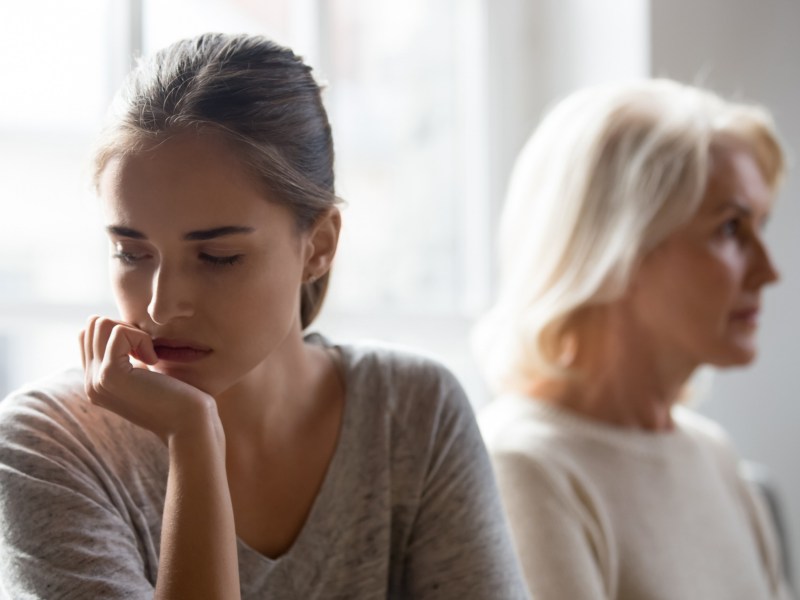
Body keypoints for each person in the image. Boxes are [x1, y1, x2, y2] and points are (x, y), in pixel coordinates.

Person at [0, 33, 528, 599]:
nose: (160, 306)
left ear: (319, 244)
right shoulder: (46, 445)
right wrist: (194, 439)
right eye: (132, 253)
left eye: (217, 257)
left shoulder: (412, 413)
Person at [474, 78, 793, 599]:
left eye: (761, 225)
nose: (768, 271)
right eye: (732, 229)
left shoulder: (713, 455)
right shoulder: (523, 467)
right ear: (619, 249)